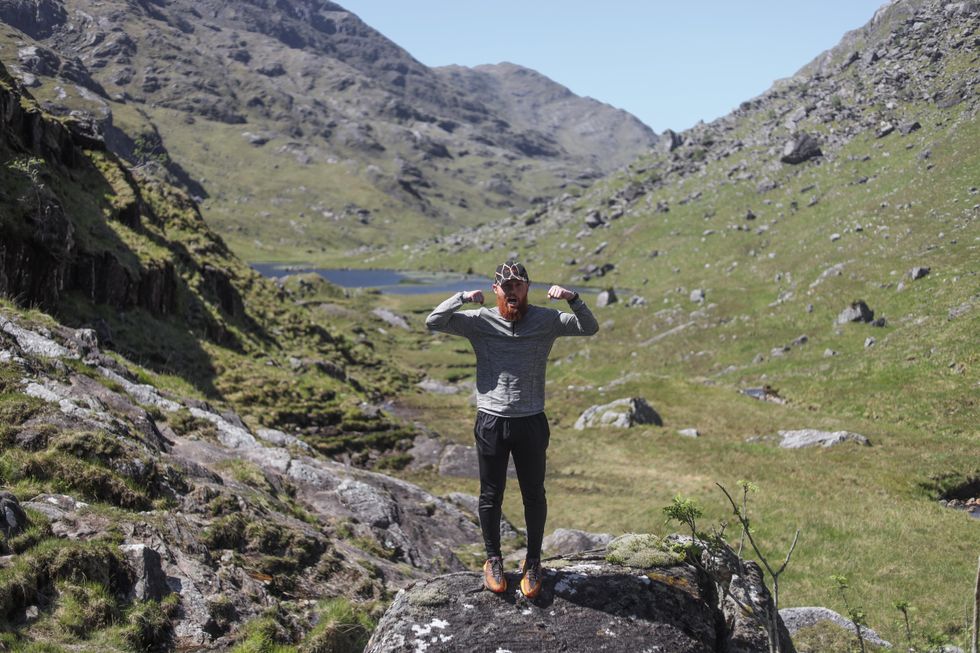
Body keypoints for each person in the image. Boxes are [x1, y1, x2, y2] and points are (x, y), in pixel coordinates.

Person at [425, 260, 599, 598]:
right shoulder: (479, 321)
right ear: (495, 291)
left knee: (533, 494)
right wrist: (461, 297)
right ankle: (493, 560)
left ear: (527, 288)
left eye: (517, 285)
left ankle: (533, 563)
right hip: (490, 420)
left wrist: (573, 297)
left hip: (531, 420)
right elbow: (434, 321)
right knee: (491, 494)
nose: (511, 291)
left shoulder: (547, 320)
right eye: (505, 286)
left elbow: (588, 327)